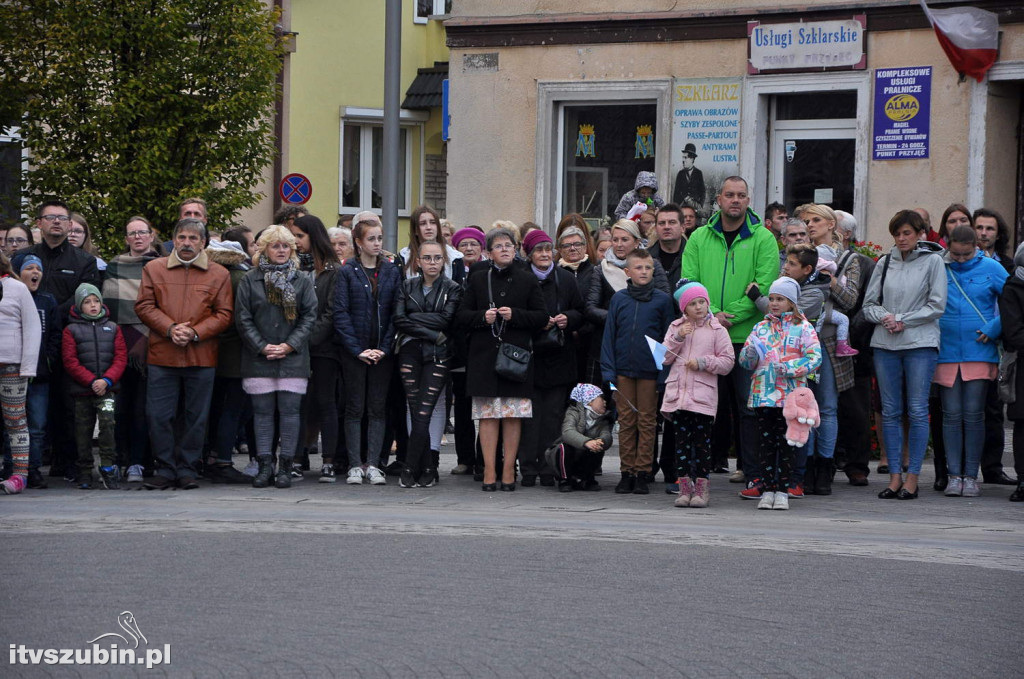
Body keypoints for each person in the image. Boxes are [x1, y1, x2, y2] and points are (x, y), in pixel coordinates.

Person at [681, 176, 779, 497]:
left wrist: (726, 315)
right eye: (729, 195)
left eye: (741, 196)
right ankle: (696, 474)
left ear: (748, 201)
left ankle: (753, 473)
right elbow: (689, 283)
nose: (735, 200)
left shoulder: (764, 239)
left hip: (748, 338)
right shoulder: (698, 237)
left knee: (749, 407)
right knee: (701, 407)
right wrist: (712, 316)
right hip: (705, 336)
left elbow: (762, 287)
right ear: (718, 200)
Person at [135, 218, 234, 490]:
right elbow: (143, 305)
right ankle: (165, 469)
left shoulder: (218, 273)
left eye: (193, 238)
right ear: (173, 240)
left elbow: (224, 314)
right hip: (162, 354)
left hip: (201, 356)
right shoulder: (154, 268)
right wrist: (170, 328)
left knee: (196, 417)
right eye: (182, 238)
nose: (187, 243)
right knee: (158, 415)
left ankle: (187, 469)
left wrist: (195, 332)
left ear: (204, 243)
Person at [862, 210, 947, 500]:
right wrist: (886, 317)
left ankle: (913, 478)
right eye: (897, 234)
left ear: (920, 233)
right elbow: (869, 304)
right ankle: (895, 476)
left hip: (920, 344)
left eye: (907, 233)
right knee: (890, 411)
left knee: (918, 410)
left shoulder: (933, 261)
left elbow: (937, 305)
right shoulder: (884, 262)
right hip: (885, 344)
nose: (901, 238)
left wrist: (903, 320)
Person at [456, 227, 548, 491]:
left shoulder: (526, 278)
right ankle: (488, 471)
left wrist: (515, 315)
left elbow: (541, 317)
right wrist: (481, 318)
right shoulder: (477, 278)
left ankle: (508, 472)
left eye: (509, 245)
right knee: (487, 416)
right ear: (488, 252)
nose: (505, 249)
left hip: (515, 358)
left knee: (512, 415)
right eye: (499, 246)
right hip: (483, 357)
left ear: (516, 249)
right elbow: (461, 316)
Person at [235, 225, 317, 489]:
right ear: (265, 249)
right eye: (275, 245)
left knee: (290, 413)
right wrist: (262, 346)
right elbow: (243, 317)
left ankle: (286, 467)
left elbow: (309, 317)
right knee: (262, 414)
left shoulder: (302, 280)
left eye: (286, 246)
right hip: (259, 357)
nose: (281, 251)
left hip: (293, 357)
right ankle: (264, 466)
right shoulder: (250, 279)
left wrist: (289, 345)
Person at [935, 225, 1006, 498]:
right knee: (951, 416)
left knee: (974, 415)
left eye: (966, 255)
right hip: (946, 351)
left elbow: (1013, 301)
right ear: (948, 246)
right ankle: (954, 476)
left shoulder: (992, 267)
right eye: (956, 255)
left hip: (980, 349)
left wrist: (994, 327)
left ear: (976, 247)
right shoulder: (938, 265)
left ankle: (971, 476)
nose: (961, 259)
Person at [739, 277, 822, 510]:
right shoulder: (761, 327)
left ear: (791, 303)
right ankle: (767, 490)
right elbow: (745, 361)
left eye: (780, 299)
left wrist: (790, 368)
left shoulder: (803, 327)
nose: (774, 303)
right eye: (772, 298)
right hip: (764, 394)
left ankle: (783, 490)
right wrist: (752, 353)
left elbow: (815, 357)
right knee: (765, 443)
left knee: (788, 444)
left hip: (791, 396)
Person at [601, 248, 675, 495]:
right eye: (638, 268)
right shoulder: (619, 299)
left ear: (653, 271)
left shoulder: (662, 300)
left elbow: (668, 339)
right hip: (623, 371)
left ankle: (643, 472)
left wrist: (663, 375)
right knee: (626, 422)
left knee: (646, 421)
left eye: (648, 268)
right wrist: (608, 371)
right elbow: (609, 336)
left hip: (649, 373)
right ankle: (627, 472)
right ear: (627, 272)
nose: (643, 272)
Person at [334, 216, 401, 486]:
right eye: (371, 239)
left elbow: (397, 313)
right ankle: (353, 464)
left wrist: (384, 348)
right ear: (358, 242)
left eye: (379, 238)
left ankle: (374, 463)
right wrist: (358, 349)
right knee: (354, 408)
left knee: (377, 408)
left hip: (382, 352)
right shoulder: (347, 271)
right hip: (355, 352)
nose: (377, 244)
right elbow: (341, 313)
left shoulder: (391, 271)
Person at [393, 240, 462, 487]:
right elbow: (399, 319)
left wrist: (416, 319)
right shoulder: (407, 285)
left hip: (439, 354)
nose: (432, 263)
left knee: (424, 411)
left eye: (437, 258)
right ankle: (428, 467)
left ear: (444, 260)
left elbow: (446, 319)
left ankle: (411, 466)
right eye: (428, 258)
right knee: (415, 409)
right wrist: (431, 332)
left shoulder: (452, 288)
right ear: (418, 261)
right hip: (409, 350)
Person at [518, 229, 584, 487]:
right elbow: (514, 314)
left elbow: (580, 310)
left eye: (548, 249)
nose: (545, 255)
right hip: (530, 358)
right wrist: (537, 322)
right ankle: (527, 469)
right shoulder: (521, 278)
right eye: (539, 250)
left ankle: (549, 468)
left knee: (554, 416)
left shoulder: (566, 279)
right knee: (529, 417)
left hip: (559, 357)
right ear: (529, 254)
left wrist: (569, 318)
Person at [102, 216, 164, 484]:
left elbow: (164, 306)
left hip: (151, 343)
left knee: (143, 408)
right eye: (132, 233)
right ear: (126, 239)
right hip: (116, 344)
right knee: (118, 408)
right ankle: (120, 459)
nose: (138, 237)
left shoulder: (162, 267)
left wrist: (147, 338)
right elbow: (107, 307)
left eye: (142, 232)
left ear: (151, 236)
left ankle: (140, 461)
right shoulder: (114, 266)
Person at [662, 281, 734, 508]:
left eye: (702, 302)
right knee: (681, 446)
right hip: (679, 398)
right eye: (693, 304)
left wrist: (704, 363)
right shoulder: (675, 327)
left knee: (702, 446)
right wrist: (678, 338)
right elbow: (663, 357)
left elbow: (727, 361)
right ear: (684, 308)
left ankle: (701, 490)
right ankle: (684, 489)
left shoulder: (717, 329)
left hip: (702, 397)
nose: (699, 307)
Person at [62, 283, 127, 489]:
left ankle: (108, 465)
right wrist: (91, 381)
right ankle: (84, 470)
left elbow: (120, 358)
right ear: (79, 305)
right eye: (87, 302)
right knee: (83, 430)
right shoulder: (71, 330)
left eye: (96, 301)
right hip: (82, 390)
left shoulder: (113, 327)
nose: (92, 305)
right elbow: (70, 361)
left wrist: (107, 380)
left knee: (108, 424)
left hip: (107, 389)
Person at [8, 254, 58, 490]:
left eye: (38, 268)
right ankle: (11, 467)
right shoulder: (9, 295)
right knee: (12, 422)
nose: (35, 272)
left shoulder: (48, 301)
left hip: (40, 375)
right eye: (29, 268)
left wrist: (48, 359)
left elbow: (55, 334)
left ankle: (32, 469)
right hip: (13, 371)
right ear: (18, 272)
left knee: (36, 426)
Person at [0, 254, 42, 495]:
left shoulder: (17, 288)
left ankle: (19, 475)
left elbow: (32, 328)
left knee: (16, 422)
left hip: (12, 367)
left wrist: (28, 368)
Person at [447, 227, 487, 476]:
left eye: (474, 244)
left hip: (483, 350)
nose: (469, 248)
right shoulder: (453, 271)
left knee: (484, 408)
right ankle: (465, 458)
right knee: (462, 408)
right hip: (460, 350)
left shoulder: (487, 272)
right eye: (464, 244)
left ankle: (484, 458)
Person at [996, 242, 1024, 502]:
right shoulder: (1013, 288)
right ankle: (1023, 480)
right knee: (1022, 423)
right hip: (1022, 368)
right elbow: (1013, 333)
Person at [548, 383, 613, 492]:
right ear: (590, 401)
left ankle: (587, 478)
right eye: (601, 399)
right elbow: (567, 432)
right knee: (564, 448)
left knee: (598, 447)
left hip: (585, 454)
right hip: (569, 454)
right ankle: (564, 479)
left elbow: (606, 434)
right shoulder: (573, 412)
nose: (605, 402)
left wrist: (601, 441)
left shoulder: (603, 419)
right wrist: (586, 442)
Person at [399, 205, 465, 285]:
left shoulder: (454, 258)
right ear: (415, 230)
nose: (429, 227)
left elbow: (460, 292)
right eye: (423, 224)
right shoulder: (403, 258)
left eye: (433, 223)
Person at [672, 143, 706, 211]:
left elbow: (702, 192)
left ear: (692, 159)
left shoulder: (698, 173)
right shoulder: (680, 174)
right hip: (682, 209)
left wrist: (699, 206)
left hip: (694, 209)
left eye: (685, 157)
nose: (683, 160)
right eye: (683, 157)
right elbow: (676, 195)